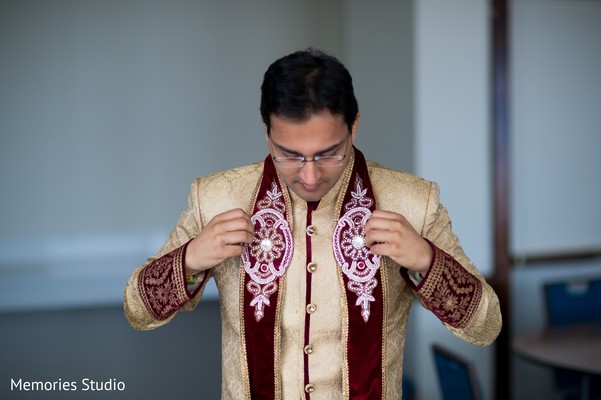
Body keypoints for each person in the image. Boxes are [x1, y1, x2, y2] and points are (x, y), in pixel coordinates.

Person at [124, 48, 502, 400]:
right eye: (289, 155)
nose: (309, 175)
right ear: (266, 131)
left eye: (328, 154)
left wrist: (427, 260)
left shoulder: (414, 202)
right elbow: (137, 310)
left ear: (353, 127)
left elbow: (485, 326)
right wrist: (190, 258)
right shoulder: (215, 197)